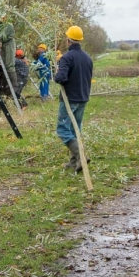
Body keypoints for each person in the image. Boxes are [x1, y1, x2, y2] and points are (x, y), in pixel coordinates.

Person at [54, 26, 93, 172]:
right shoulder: (87, 57)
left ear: (68, 40)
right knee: (75, 129)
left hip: (70, 99)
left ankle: (80, 155)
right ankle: (74, 161)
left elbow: (61, 78)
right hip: (83, 97)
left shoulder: (66, 57)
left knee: (63, 130)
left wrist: (56, 75)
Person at [0, 15, 17, 93]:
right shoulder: (1, 25)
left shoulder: (8, 25)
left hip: (9, 43)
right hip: (4, 43)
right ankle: (4, 83)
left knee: (9, 63)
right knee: (3, 62)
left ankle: (14, 85)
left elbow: (3, 36)